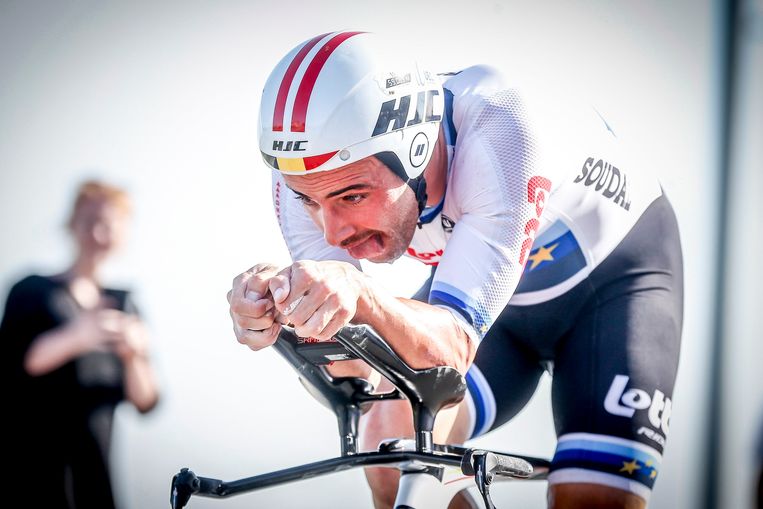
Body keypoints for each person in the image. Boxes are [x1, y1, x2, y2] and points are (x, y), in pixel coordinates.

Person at [228, 31, 683, 509]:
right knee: (388, 451)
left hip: (614, 289)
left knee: (592, 499)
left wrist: (358, 292)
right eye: (310, 201)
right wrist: (283, 308)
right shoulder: (308, 173)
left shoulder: (500, 129)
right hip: (496, 301)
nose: (333, 231)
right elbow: (355, 371)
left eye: (353, 196)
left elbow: (450, 349)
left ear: (416, 151)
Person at [2, 180, 160, 508]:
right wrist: (77, 336)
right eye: (90, 222)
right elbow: (14, 364)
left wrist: (134, 356)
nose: (98, 234)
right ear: (72, 224)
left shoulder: (124, 304)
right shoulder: (31, 290)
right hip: (30, 475)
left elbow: (146, 402)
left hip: (95, 480)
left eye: (108, 225)